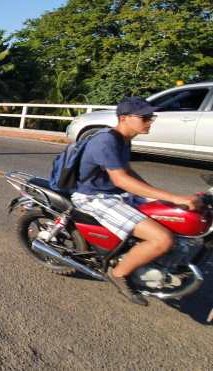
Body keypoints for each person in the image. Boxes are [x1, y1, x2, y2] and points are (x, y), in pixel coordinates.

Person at [71, 96, 200, 306]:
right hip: (94, 197)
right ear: (124, 118)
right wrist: (174, 197)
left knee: (171, 215)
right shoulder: (106, 140)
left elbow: (127, 171)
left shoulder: (123, 139)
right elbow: (120, 179)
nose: (150, 121)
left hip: (114, 193)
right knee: (162, 239)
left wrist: (157, 197)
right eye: (145, 117)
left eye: (152, 117)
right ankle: (119, 274)